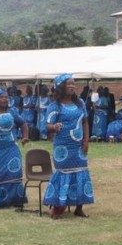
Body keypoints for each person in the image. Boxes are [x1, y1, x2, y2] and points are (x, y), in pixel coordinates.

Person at [43, 73, 93, 219]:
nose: (72, 86)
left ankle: (79, 207)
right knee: (63, 174)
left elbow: (85, 121)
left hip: (78, 146)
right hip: (62, 147)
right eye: (68, 83)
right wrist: (54, 126)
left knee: (81, 173)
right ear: (61, 87)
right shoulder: (54, 106)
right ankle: (58, 208)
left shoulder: (80, 104)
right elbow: (47, 125)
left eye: (73, 83)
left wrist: (86, 140)